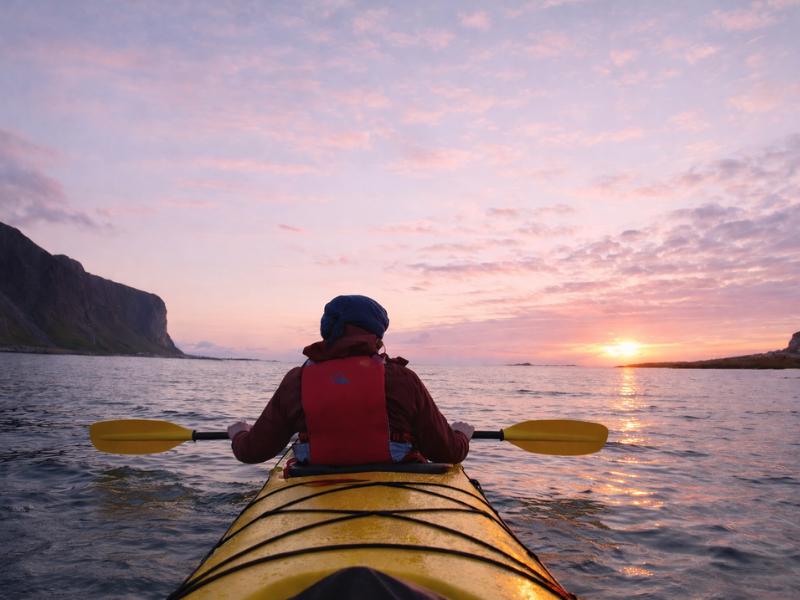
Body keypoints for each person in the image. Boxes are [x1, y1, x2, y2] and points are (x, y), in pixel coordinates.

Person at [227, 294, 474, 465]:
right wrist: (461, 436)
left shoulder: (296, 380)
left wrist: (239, 434)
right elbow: (447, 452)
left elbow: (252, 452)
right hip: (394, 484)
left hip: (317, 486)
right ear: (377, 336)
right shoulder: (402, 380)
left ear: (327, 330)